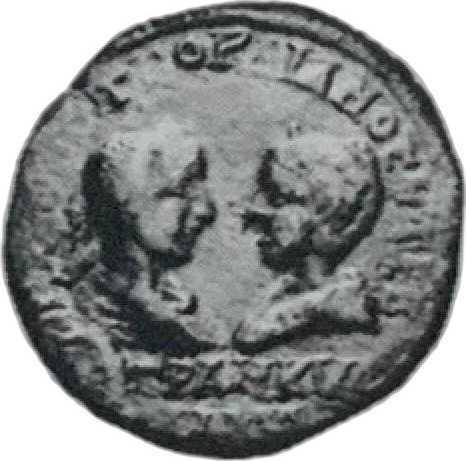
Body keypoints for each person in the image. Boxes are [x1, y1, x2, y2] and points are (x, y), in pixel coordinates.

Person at [232, 135, 384, 354]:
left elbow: (250, 334)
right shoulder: (285, 289)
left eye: (278, 201)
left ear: (325, 217)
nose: (252, 217)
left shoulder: (342, 301)